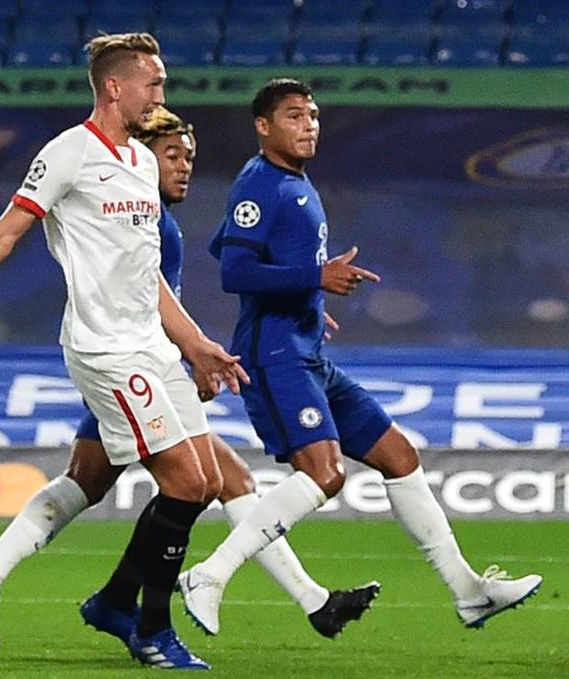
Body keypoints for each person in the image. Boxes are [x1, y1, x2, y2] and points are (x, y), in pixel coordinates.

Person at [0, 106, 378, 651]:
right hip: (126, 365)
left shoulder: (156, 222)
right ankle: (154, 610)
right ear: (139, 156)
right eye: (172, 155)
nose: (184, 167)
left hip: (139, 362)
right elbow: (145, 294)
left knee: (90, 481)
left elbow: (166, 288)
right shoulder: (147, 220)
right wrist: (187, 356)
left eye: (189, 157)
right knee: (211, 482)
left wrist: (193, 349)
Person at [0, 34, 245, 670]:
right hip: (105, 350)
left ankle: (111, 602)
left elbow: (150, 277)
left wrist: (197, 345)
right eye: (154, 84)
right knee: (188, 482)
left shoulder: (141, 163)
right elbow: (6, 233)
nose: (161, 96)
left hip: (152, 345)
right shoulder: (68, 154)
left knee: (209, 481)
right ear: (115, 87)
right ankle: (149, 629)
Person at [175, 78, 542, 637]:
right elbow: (233, 271)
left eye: (313, 116)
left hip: (305, 348)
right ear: (263, 126)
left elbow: (226, 244)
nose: (309, 125)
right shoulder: (260, 183)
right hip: (274, 355)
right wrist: (312, 279)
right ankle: (210, 574)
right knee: (324, 476)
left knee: (398, 455)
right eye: (294, 116)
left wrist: (305, 296)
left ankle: (470, 593)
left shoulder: (293, 182)